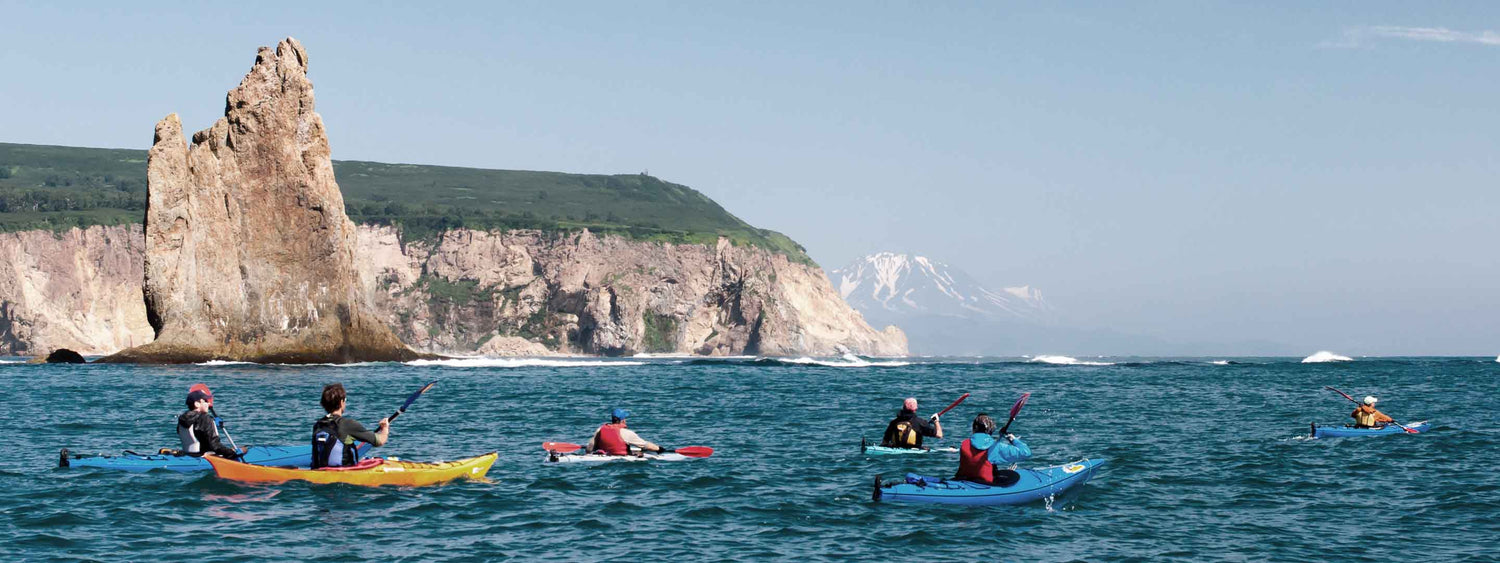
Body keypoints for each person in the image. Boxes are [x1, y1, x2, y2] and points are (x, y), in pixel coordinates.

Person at [311, 383, 388, 468]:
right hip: (343, 473)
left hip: (320, 472)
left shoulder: (318, 425)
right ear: (341, 402)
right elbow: (380, 441)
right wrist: (385, 428)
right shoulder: (348, 424)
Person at [955, 413, 1032, 485]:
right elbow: (1026, 452)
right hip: (984, 484)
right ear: (991, 430)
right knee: (1012, 474)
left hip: (965, 479)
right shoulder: (995, 447)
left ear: (974, 428)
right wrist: (1012, 439)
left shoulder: (964, 444)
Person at [177, 384, 244, 459]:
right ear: (197, 404)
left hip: (187, 455)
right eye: (205, 401)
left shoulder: (182, 418)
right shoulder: (205, 418)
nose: (208, 403)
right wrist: (232, 453)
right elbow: (214, 445)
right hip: (203, 457)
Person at [585, 408, 669, 455]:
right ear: (623, 420)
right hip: (621, 459)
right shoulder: (626, 433)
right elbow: (646, 445)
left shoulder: (600, 429)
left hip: (603, 455)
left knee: (636, 451)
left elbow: (589, 448)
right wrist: (659, 449)